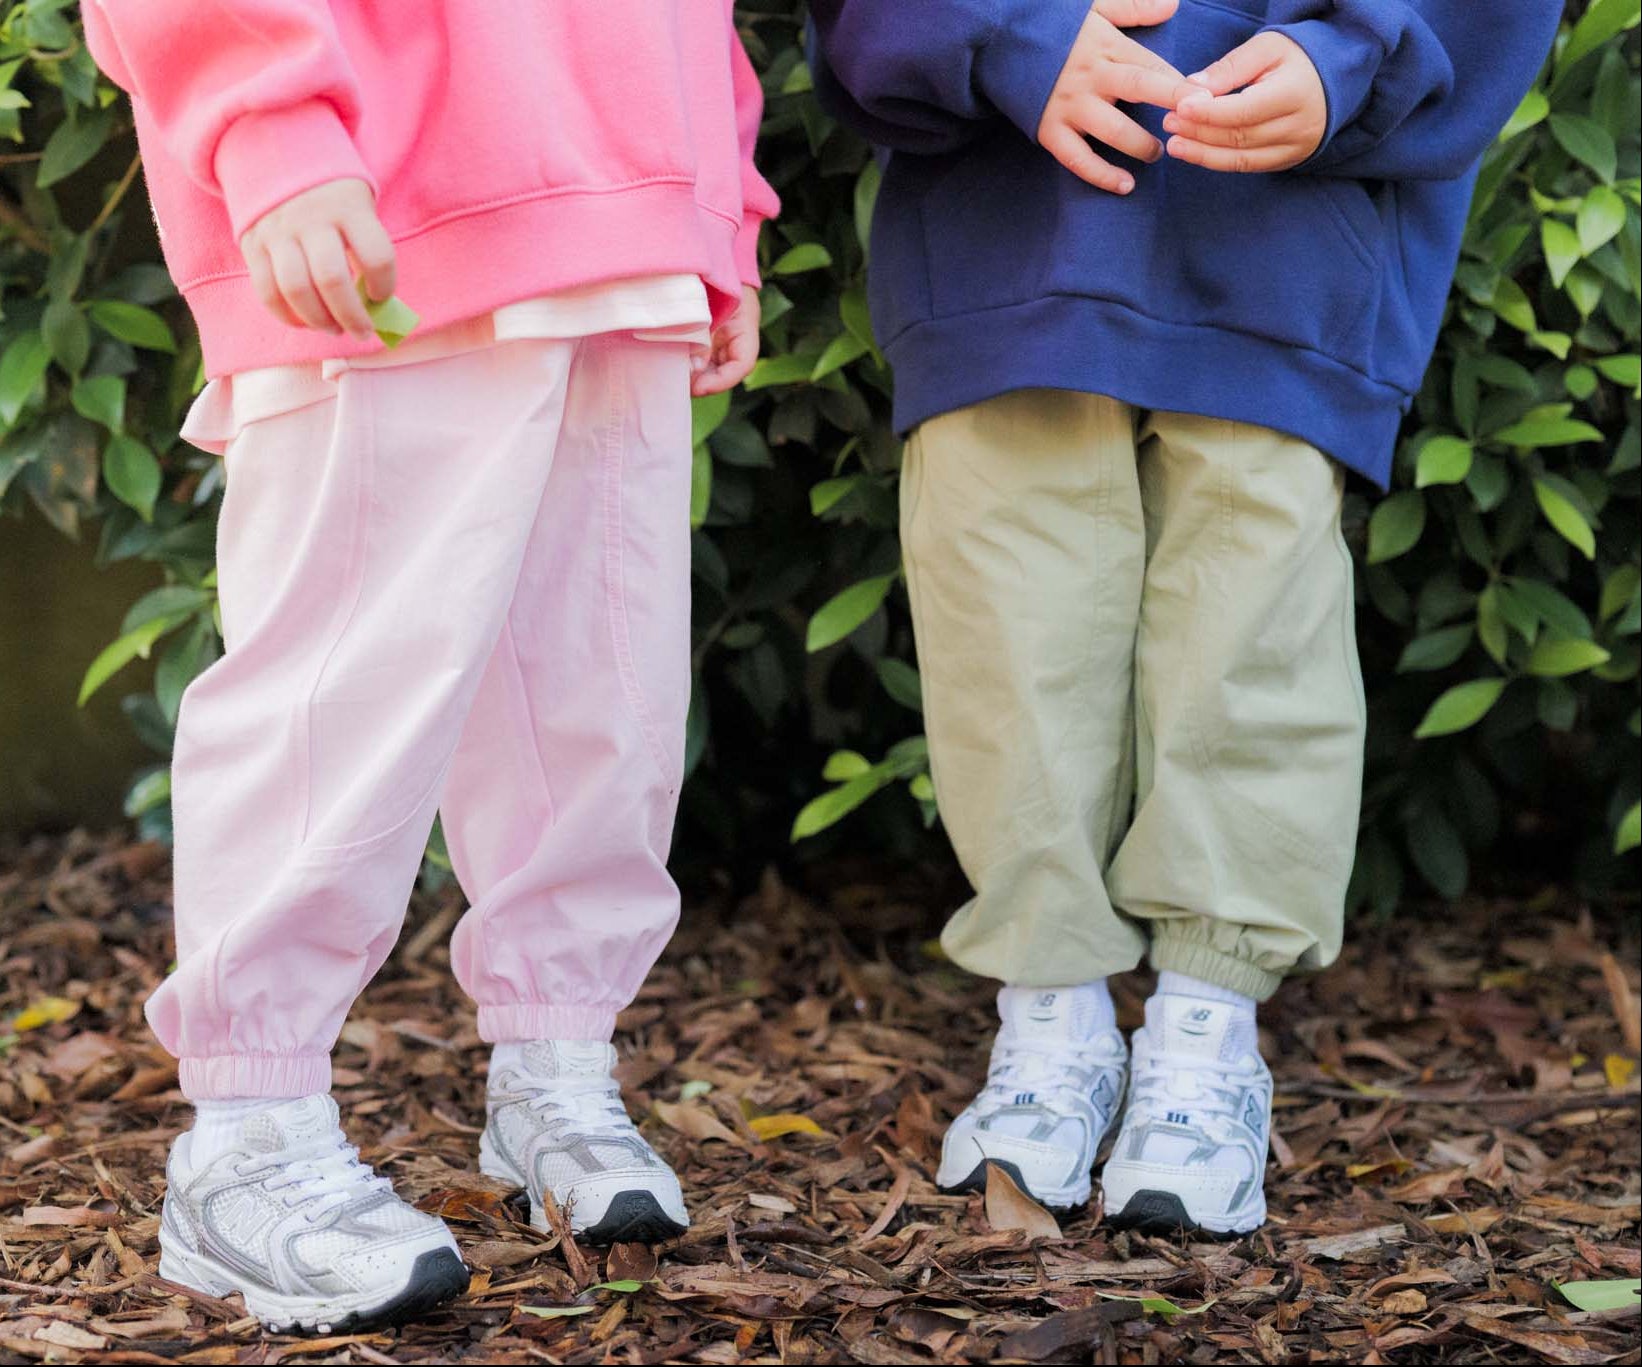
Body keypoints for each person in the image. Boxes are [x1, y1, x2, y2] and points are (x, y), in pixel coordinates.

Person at [82, 0, 777, 1332]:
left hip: (623, 205)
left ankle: (554, 1064)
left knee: (594, 680)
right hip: (381, 194)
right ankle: (247, 1134)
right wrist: (265, 118)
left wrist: (714, 190)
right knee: (344, 678)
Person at [808, 0, 1557, 1235]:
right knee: (1008, 621)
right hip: (1005, 215)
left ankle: (1205, 1033)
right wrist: (998, 34)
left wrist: (1354, 57)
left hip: (1292, 225)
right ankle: (1051, 1012)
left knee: (1249, 631)